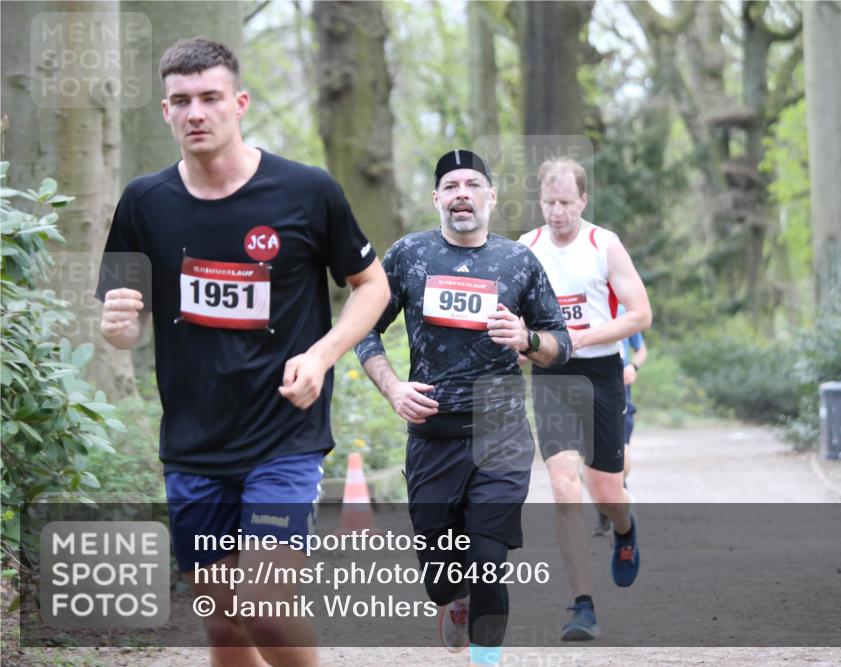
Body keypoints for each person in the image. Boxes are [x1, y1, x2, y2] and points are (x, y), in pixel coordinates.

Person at [97, 38, 390, 667]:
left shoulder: (306, 191)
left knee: (265, 602)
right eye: (182, 101)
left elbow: (372, 285)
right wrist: (118, 327)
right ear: (165, 113)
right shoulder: (142, 203)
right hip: (193, 445)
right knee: (224, 624)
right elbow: (128, 327)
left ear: (240, 103)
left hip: (284, 435)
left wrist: (322, 355)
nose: (196, 112)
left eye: (210, 98)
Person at [355, 149, 571, 667]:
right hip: (432, 431)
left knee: (489, 561)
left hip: (501, 430)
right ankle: (454, 598)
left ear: (491, 197)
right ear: (436, 199)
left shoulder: (517, 261)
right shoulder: (408, 255)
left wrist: (527, 338)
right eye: (450, 186)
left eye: (473, 184)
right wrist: (392, 389)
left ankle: (485, 659)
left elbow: (560, 343)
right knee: (440, 578)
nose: (462, 194)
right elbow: (363, 330)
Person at [518, 157, 652, 641]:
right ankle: (583, 606)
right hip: (551, 372)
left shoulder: (604, 245)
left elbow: (640, 315)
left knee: (607, 492)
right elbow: (512, 319)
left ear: (582, 200)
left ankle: (623, 527)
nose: (557, 212)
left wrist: (582, 336)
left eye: (566, 203)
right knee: (562, 485)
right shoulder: (525, 249)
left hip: (601, 372)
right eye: (549, 202)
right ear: (541, 201)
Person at [595, 313, 647, 536]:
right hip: (590, 389)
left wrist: (633, 367)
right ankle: (608, 515)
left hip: (620, 393)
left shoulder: (627, 312)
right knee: (593, 460)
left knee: (620, 459)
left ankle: (619, 499)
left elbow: (641, 350)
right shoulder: (587, 307)